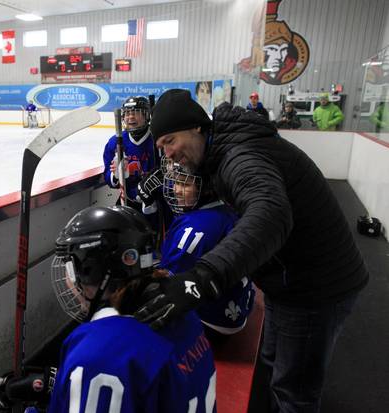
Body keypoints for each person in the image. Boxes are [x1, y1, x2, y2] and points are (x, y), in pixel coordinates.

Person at [134, 89, 368, 413]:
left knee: (293, 392)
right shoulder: (225, 151)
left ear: (196, 127)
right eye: (161, 147)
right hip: (289, 279)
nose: (168, 153)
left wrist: (204, 277)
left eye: (170, 140)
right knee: (274, 366)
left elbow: (270, 213)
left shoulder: (239, 157)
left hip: (315, 286)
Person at [0, 206, 216, 413]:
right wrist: (57, 385)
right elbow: (150, 388)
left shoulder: (99, 353)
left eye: (72, 267)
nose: (70, 281)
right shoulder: (182, 313)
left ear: (93, 271)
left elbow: (112, 368)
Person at [159, 160, 255, 336]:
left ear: (206, 188)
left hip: (212, 321)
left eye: (184, 184)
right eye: (176, 182)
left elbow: (170, 278)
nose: (176, 190)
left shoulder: (195, 226)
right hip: (238, 307)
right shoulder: (227, 210)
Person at [103, 96, 156, 213]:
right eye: (127, 113)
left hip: (155, 203)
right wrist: (115, 175)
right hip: (127, 201)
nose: (131, 116)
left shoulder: (157, 140)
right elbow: (108, 177)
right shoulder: (114, 143)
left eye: (136, 112)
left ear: (147, 115)